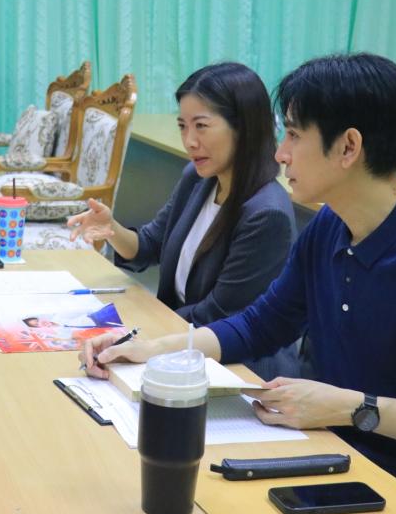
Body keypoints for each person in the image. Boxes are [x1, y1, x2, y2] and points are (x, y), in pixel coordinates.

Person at [80, 54, 396, 514]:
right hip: (339, 459)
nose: (280, 153)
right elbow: (262, 323)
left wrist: (354, 409)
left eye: (294, 135)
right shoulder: (331, 227)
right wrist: (155, 350)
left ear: (348, 147)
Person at [66, 62, 298, 377]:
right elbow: (149, 245)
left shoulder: (266, 214)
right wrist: (111, 229)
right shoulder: (199, 178)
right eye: (182, 126)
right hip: (177, 343)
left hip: (237, 369)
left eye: (201, 126)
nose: (189, 141)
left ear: (243, 127)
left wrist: (138, 336)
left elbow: (216, 315)